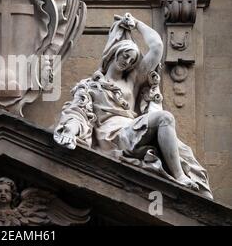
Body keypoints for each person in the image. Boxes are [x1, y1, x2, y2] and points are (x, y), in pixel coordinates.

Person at [55, 14, 212, 198]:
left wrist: (137, 24)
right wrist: (69, 132)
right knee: (165, 118)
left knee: (169, 125)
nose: (127, 61)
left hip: (133, 127)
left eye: (131, 60)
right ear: (115, 52)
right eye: (125, 56)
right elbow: (77, 113)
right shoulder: (90, 86)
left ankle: (181, 177)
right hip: (113, 135)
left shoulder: (132, 82)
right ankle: (179, 176)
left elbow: (157, 47)